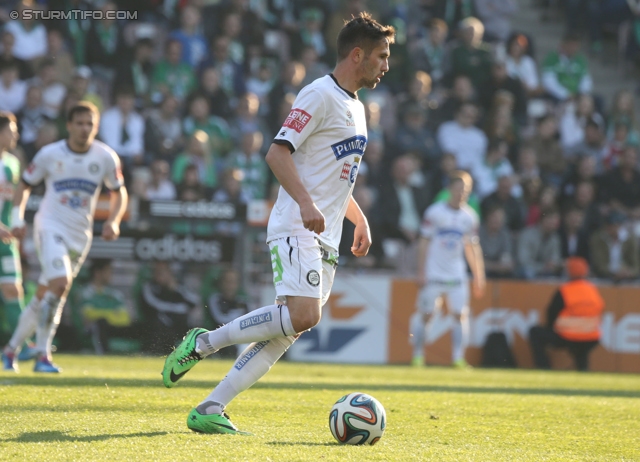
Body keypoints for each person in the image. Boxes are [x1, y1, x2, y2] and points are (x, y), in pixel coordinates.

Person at [161, 12, 394, 435]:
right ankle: (204, 342)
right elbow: (277, 153)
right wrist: (305, 204)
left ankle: (212, 406)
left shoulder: (357, 109)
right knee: (304, 316)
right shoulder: (319, 94)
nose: (386, 65)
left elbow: (334, 177)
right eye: (381, 56)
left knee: (287, 331)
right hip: (296, 225)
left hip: (327, 232)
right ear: (357, 54)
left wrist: (357, 218)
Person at [1, 102, 128, 373]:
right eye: (79, 123)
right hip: (49, 227)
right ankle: (43, 356)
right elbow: (24, 186)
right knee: (61, 282)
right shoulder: (50, 154)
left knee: (47, 293)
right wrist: (18, 219)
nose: (84, 129)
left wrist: (113, 221)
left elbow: (119, 192)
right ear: (69, 125)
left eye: (89, 124)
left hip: (80, 235)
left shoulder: (105, 157)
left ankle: (11, 349)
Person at [410, 171, 486, 369]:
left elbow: (472, 247)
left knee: (460, 315)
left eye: (466, 190)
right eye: (459, 189)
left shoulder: (469, 217)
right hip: (434, 272)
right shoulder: (435, 213)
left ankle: (458, 358)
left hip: (457, 274)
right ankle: (418, 355)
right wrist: (421, 271)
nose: (462, 193)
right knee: (426, 314)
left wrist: (478, 275)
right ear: (450, 189)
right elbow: (424, 243)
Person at [529, 257, 604, 371]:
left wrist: (552, 327)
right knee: (581, 351)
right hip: (592, 337)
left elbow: (552, 313)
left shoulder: (565, 290)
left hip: (568, 335)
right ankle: (583, 370)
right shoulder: (592, 289)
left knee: (535, 332)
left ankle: (544, 368)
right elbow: (600, 309)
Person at [0, 113, 26, 356]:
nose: (15, 134)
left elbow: (15, 199)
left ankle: (19, 345)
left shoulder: (13, 163)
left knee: (13, 289)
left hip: (4, 240)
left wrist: (16, 223)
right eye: (12, 130)